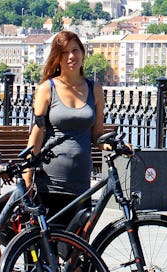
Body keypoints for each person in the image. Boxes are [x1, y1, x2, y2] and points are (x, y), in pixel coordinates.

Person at [25, 31, 106, 228]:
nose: (71, 56)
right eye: (65, 52)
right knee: (47, 248)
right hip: (49, 182)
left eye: (75, 50)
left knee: (78, 249)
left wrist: (112, 145)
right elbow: (37, 132)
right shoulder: (47, 88)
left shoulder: (94, 89)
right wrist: (27, 174)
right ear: (57, 58)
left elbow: (98, 134)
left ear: (83, 53)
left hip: (81, 185)